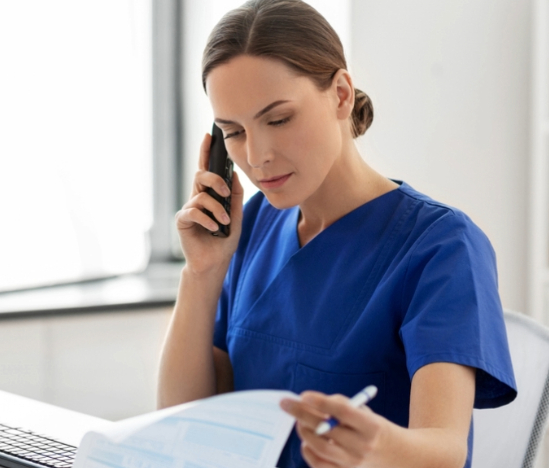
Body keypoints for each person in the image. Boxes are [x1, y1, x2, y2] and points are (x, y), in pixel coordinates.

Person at [157, 1, 517, 467]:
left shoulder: (441, 247)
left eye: (278, 119)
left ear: (341, 95)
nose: (257, 156)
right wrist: (201, 272)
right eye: (234, 132)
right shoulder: (250, 227)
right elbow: (181, 425)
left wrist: (376, 447)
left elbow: (445, 450)